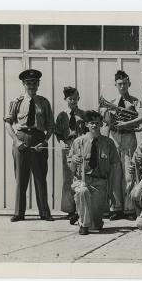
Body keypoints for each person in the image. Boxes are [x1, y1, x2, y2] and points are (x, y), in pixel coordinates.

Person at [4, 69, 55, 222]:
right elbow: (8, 123)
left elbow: (51, 125)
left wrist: (45, 141)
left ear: (38, 84)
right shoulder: (16, 102)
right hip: (21, 140)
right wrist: (16, 140)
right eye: (28, 83)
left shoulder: (44, 102)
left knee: (40, 178)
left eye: (34, 83)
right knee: (21, 177)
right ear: (23, 84)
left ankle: (45, 213)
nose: (31, 86)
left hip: (38, 140)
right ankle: (19, 213)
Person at [67, 111, 123, 235]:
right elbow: (71, 169)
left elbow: (114, 169)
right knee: (82, 191)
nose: (94, 126)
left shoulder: (108, 143)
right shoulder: (78, 142)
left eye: (97, 123)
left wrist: (111, 191)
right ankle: (83, 224)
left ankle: (84, 218)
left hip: (100, 183)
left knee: (96, 226)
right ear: (86, 124)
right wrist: (74, 161)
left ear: (101, 124)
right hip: (82, 180)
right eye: (91, 123)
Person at [100, 70, 142, 220]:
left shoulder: (135, 101)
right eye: (119, 84)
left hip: (128, 137)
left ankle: (129, 209)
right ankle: (116, 208)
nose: (122, 86)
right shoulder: (111, 103)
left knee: (129, 174)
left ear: (129, 84)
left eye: (125, 84)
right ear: (115, 84)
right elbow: (106, 123)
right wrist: (105, 142)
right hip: (114, 138)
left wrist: (125, 123)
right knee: (115, 173)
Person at [54, 86, 87, 225]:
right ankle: (70, 210)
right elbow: (58, 133)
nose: (72, 101)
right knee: (68, 177)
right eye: (70, 99)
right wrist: (61, 142)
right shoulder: (62, 115)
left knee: (80, 176)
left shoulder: (84, 115)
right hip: (67, 146)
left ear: (78, 98)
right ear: (65, 100)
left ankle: (81, 207)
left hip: (80, 146)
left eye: (75, 98)